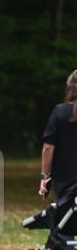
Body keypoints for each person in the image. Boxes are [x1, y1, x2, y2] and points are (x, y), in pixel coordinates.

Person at [39, 69, 77, 203]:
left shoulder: (59, 111)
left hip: (64, 178)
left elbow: (48, 147)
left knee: (66, 217)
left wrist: (44, 177)